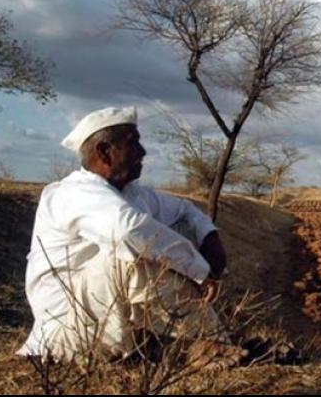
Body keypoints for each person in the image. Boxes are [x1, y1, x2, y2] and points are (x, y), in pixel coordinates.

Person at [17, 106, 238, 364]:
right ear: (104, 152)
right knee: (133, 253)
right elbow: (128, 231)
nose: (142, 152)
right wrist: (200, 271)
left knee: (172, 234)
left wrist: (211, 237)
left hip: (108, 320)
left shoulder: (132, 194)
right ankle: (207, 344)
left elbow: (184, 209)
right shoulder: (71, 194)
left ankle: (209, 343)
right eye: (133, 143)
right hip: (68, 330)